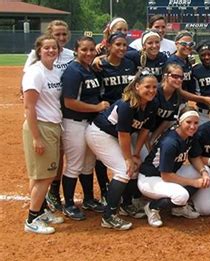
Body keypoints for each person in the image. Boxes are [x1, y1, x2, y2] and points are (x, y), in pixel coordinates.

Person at [85, 70, 158, 230]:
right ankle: (108, 216)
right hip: (100, 133)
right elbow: (123, 135)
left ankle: (126, 205)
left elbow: (144, 131)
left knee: (135, 167)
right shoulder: (127, 105)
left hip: (116, 136)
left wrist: (136, 154)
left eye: (154, 87)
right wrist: (128, 159)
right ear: (137, 86)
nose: (151, 90)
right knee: (124, 170)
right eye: (147, 86)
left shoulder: (152, 104)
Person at [23, 20, 74, 213]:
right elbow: (28, 98)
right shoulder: (36, 68)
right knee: (41, 171)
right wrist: (36, 136)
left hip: (58, 117)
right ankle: (37, 211)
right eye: (55, 37)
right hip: (42, 119)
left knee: (52, 162)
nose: (60, 40)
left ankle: (45, 201)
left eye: (63, 35)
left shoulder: (64, 60)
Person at [60, 36, 111, 221]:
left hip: (89, 124)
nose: (89, 53)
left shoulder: (89, 69)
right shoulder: (73, 71)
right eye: (84, 50)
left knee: (89, 163)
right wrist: (96, 108)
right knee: (74, 164)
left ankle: (89, 199)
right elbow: (69, 102)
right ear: (76, 50)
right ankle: (69, 204)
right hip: (74, 122)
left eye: (91, 50)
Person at [138, 106, 210, 227]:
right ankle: (152, 207)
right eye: (188, 122)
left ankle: (178, 208)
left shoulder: (190, 135)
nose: (192, 126)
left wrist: (203, 172)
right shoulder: (170, 142)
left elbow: (194, 156)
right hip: (150, 178)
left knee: (206, 173)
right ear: (179, 121)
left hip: (169, 174)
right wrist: (194, 183)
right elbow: (166, 176)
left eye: (196, 123)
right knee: (182, 195)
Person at [22, 35, 65, 234]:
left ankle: (40, 210)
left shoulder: (54, 71)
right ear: (39, 51)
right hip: (41, 126)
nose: (50, 51)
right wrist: (36, 137)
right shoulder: (35, 72)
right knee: (44, 177)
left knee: (42, 174)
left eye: (54, 48)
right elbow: (29, 107)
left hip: (53, 126)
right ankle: (32, 219)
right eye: (46, 48)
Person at [94, 32, 137, 206]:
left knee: (125, 153)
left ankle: (127, 195)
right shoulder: (99, 66)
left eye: (124, 45)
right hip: (106, 115)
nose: (121, 48)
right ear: (109, 46)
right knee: (101, 158)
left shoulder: (130, 63)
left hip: (126, 114)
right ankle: (105, 189)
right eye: (117, 45)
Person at [166, 31, 210, 108]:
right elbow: (178, 91)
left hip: (183, 102)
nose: (188, 46)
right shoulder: (173, 63)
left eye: (191, 44)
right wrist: (203, 99)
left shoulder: (186, 60)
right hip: (173, 104)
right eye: (184, 44)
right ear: (176, 44)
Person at [148, 63, 183, 148]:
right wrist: (147, 142)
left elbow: (167, 120)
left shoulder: (177, 96)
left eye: (181, 77)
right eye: (175, 76)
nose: (178, 80)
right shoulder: (155, 91)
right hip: (140, 130)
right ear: (165, 76)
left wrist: (152, 140)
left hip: (156, 131)